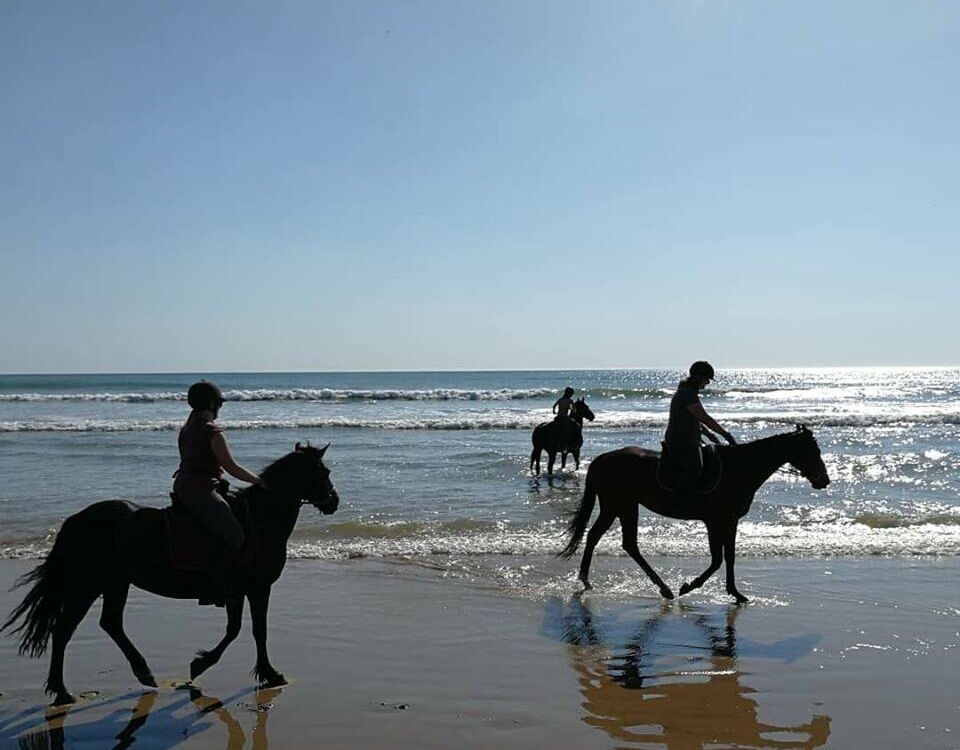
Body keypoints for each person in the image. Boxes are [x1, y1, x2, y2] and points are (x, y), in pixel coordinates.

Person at [173, 380, 261, 552]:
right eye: (219, 404)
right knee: (235, 536)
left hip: (183, 484)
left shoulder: (187, 428)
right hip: (202, 490)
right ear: (212, 404)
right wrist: (259, 481)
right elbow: (232, 468)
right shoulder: (212, 432)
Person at [661, 361, 736, 490]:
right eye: (706, 379)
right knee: (695, 470)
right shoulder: (687, 394)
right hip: (681, 441)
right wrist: (726, 434)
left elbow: (696, 420)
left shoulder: (689, 392)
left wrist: (710, 434)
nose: (707, 383)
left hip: (690, 439)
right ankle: (678, 500)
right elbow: (705, 418)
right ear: (698, 377)